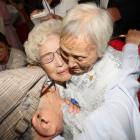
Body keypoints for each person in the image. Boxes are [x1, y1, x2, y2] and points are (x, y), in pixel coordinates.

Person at [31, 3, 136, 139]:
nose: (68, 64)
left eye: (78, 57)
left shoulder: (116, 77)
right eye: (65, 52)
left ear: (100, 50)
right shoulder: (73, 64)